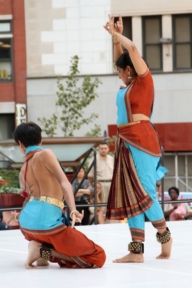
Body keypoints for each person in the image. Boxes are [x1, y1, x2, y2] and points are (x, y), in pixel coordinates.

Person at [103, 15, 172, 263]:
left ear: (129, 70)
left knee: (144, 192)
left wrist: (115, 32)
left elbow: (131, 49)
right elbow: (121, 57)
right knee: (131, 194)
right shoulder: (128, 87)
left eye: (120, 71)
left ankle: (165, 236)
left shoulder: (144, 80)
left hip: (142, 141)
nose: (119, 75)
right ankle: (136, 251)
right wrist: (114, 39)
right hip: (126, 142)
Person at [7, 122, 106, 269]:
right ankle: (41, 251)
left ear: (20, 144)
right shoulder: (46, 154)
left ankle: (40, 250)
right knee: (98, 256)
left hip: (28, 226)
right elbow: (65, 183)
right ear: (41, 140)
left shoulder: (23, 169)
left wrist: (18, 217)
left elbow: (28, 198)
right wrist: (73, 210)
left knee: (59, 245)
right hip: (48, 224)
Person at [88, 141, 114, 213]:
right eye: (101, 148)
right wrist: (94, 185)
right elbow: (90, 175)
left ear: (108, 149)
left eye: (105, 148)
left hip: (111, 184)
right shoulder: (94, 159)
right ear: (99, 149)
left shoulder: (111, 159)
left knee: (111, 204)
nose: (103, 150)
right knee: (100, 207)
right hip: (100, 185)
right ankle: (101, 222)